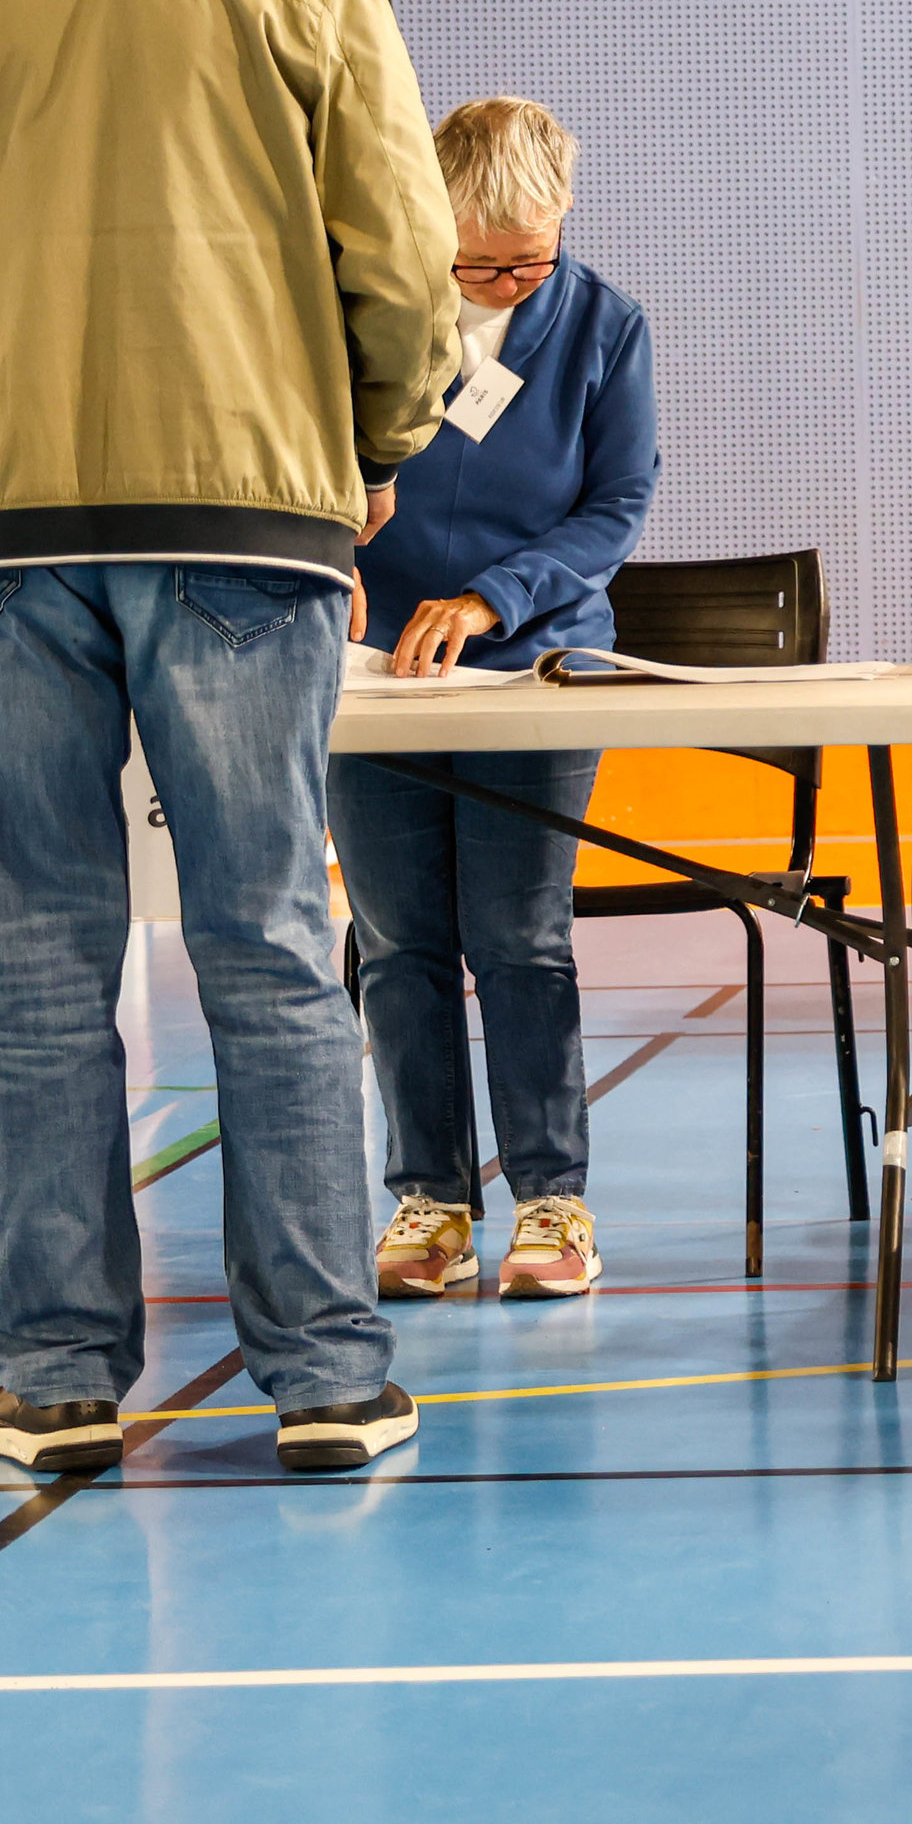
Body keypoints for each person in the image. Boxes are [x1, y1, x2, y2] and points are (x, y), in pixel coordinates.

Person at [0, 0, 452, 1478]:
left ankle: (51, 1378)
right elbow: (402, 263)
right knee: (264, 941)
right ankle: (330, 1378)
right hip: (242, 520)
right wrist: (379, 439)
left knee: (33, 956)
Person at [334, 97, 662, 1308]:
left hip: (533, 668)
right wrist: (333, 560)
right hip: (378, 684)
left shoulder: (603, 327)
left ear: (564, 217)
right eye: (478, 261)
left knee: (520, 936)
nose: (507, 279)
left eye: (531, 256)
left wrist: (491, 597)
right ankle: (426, 1196)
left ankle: (549, 1196)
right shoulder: (371, 314)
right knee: (398, 941)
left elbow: (614, 508)